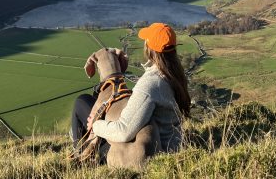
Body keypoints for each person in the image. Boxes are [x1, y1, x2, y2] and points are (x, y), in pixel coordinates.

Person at [71, 22, 191, 157]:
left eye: (146, 41)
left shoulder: (151, 83)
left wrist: (96, 125)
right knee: (90, 101)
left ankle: (80, 154)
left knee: (81, 102)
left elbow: (124, 131)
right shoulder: (175, 74)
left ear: (149, 48)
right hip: (171, 145)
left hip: (151, 153)